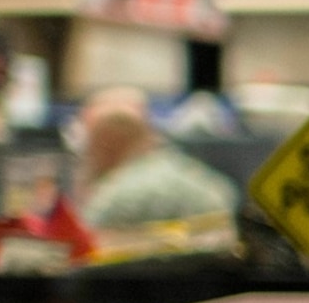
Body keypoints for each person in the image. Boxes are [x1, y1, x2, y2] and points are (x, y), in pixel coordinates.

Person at [71, 85, 241, 240]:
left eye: (90, 140)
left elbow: (82, 249)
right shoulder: (205, 182)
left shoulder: (114, 197)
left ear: (107, 142)